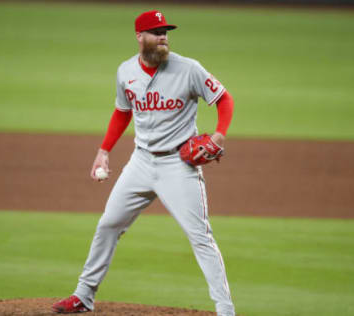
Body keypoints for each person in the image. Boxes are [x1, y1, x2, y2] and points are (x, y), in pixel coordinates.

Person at [52, 10, 235, 316]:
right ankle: (83, 295)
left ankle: (226, 310)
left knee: (200, 237)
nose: (163, 37)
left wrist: (219, 135)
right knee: (108, 224)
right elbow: (123, 112)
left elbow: (224, 99)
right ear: (140, 37)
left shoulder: (189, 69)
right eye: (156, 32)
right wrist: (104, 150)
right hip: (140, 162)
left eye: (166, 32)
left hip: (179, 165)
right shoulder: (126, 71)